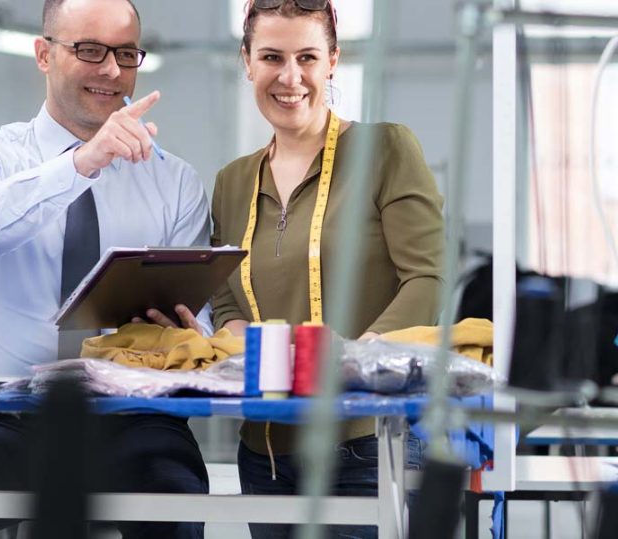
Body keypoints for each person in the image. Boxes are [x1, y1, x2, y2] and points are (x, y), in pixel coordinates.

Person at [0, 0, 209, 537]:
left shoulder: (174, 181)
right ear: (43, 54)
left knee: (176, 511)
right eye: (90, 50)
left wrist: (188, 336)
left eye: (126, 53)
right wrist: (81, 163)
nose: (112, 70)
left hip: (139, 420)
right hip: (15, 419)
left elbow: (199, 321)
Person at [210, 0, 444, 536]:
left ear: (333, 61)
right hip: (265, 451)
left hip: (367, 442)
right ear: (247, 61)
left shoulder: (384, 150)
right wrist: (238, 335)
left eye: (307, 58)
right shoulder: (232, 182)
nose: (290, 77)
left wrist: (356, 358)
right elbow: (224, 295)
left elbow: (428, 277)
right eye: (272, 57)